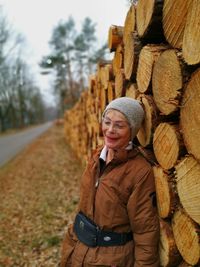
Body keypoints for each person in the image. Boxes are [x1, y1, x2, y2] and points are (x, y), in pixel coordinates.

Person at [61, 97, 160, 267]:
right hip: (77, 251)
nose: (110, 130)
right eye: (107, 122)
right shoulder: (96, 157)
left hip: (111, 260)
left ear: (133, 130)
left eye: (119, 125)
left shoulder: (139, 172)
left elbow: (145, 233)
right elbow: (83, 209)